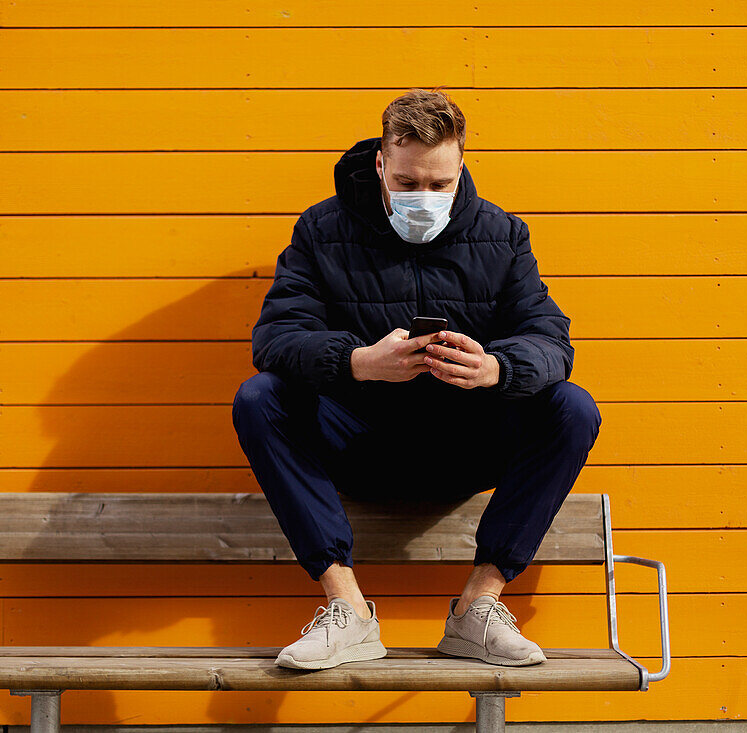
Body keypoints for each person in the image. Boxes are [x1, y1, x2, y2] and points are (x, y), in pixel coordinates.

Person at [231, 88, 602, 671]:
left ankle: (479, 609)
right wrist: (357, 361)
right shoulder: (322, 229)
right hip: (356, 444)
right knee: (260, 400)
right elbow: (274, 340)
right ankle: (347, 611)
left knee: (571, 408)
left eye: (438, 184)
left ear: (461, 166)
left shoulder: (503, 235)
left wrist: (496, 369)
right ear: (380, 164)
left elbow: (551, 341)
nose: (422, 197)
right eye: (406, 183)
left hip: (468, 447)